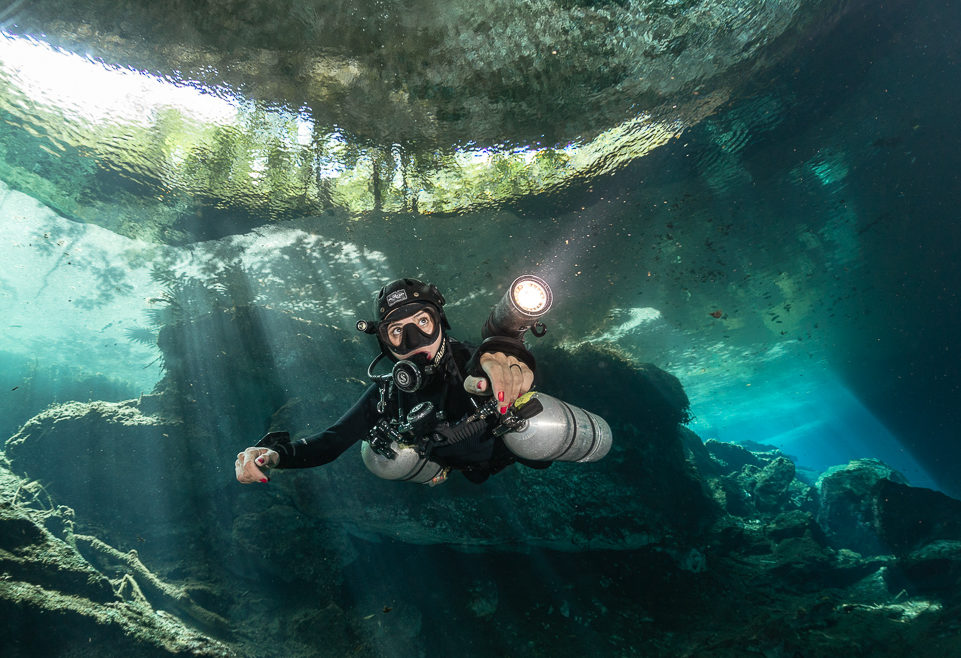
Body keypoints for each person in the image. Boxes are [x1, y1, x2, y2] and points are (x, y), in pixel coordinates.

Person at [234, 277, 550, 486]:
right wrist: (276, 456)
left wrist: (508, 353)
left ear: (441, 324)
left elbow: (497, 360)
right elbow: (332, 441)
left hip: (508, 452)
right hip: (457, 467)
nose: (413, 341)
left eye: (422, 322)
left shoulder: (476, 363)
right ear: (385, 343)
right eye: (397, 331)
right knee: (378, 452)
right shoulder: (388, 393)